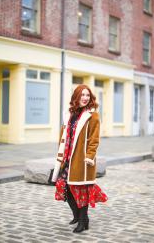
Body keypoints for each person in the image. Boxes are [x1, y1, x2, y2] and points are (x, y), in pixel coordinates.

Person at [52, 84, 108, 233]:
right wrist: (60, 154)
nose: (85, 98)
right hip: (67, 157)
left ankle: (83, 220)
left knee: (80, 190)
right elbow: (63, 136)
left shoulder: (92, 115)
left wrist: (90, 156)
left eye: (87, 95)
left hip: (82, 160)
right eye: (82, 95)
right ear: (76, 96)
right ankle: (77, 215)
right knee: (65, 188)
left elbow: (94, 139)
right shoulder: (69, 114)